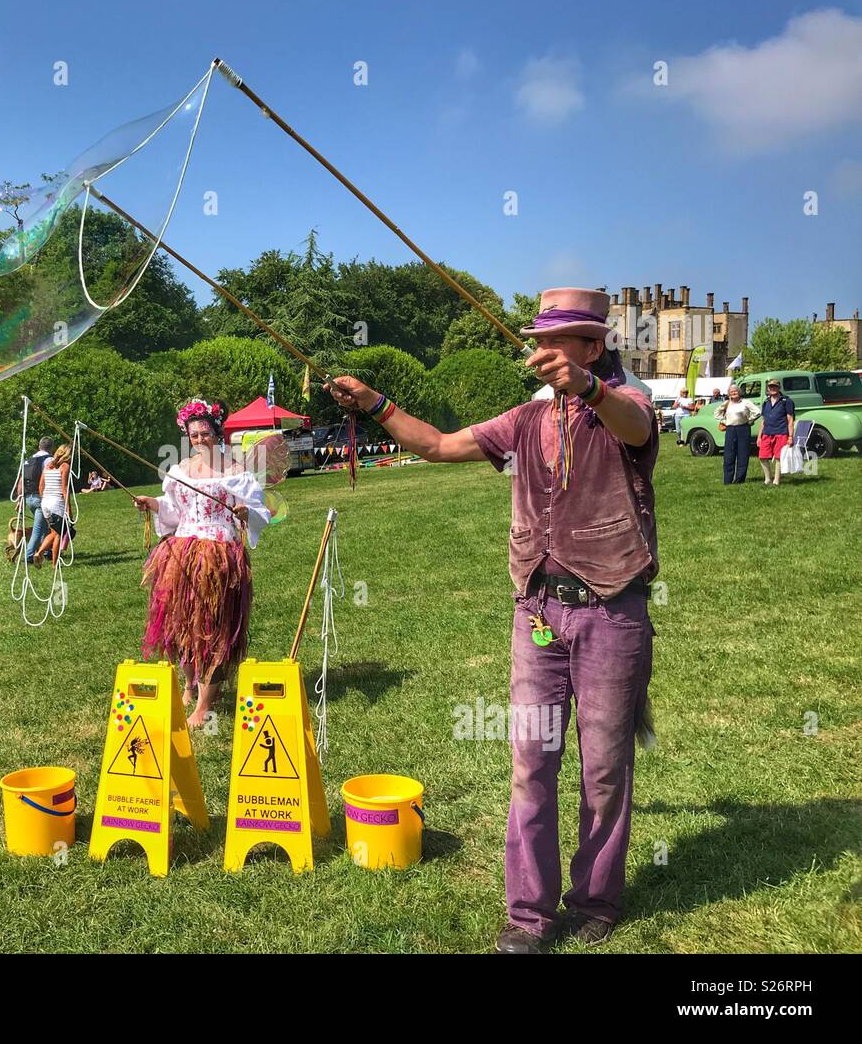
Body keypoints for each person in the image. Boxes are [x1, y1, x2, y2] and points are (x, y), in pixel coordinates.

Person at [327, 287, 659, 953]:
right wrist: (377, 405)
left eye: (554, 340)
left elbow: (634, 425)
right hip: (537, 614)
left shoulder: (627, 407)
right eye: (537, 339)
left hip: (612, 615)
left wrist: (590, 387)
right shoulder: (525, 421)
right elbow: (442, 444)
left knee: (604, 769)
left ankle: (596, 898)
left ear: (592, 347)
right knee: (532, 765)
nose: (539, 350)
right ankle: (530, 916)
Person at [132, 399, 272, 727]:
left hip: (219, 554)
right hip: (182, 554)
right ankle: (189, 685)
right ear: (187, 435)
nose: (199, 439)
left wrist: (245, 513)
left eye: (205, 433)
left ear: (216, 432)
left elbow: (260, 510)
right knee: (181, 626)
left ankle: (205, 706)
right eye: (193, 435)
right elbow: (173, 509)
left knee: (213, 629)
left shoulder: (234, 471)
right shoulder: (180, 470)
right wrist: (153, 503)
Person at [33, 444, 74, 567]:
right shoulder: (65, 466)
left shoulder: (48, 466)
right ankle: (49, 560)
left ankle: (43, 555)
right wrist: (69, 509)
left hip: (46, 502)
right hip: (57, 504)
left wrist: (43, 499)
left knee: (53, 532)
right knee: (57, 534)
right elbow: (64, 489)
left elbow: (41, 485)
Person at [16, 437, 54, 563]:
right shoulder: (48, 460)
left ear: (39, 446)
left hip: (28, 498)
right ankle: (28, 556)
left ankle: (48, 551)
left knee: (44, 526)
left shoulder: (28, 460)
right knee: (38, 528)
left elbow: (21, 481)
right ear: (51, 448)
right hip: (40, 498)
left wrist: (19, 499)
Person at [715, 382, 759, 484]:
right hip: (730, 430)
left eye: (735, 391)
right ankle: (727, 480)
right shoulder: (727, 403)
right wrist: (724, 421)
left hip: (743, 429)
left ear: (739, 392)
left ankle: (740, 479)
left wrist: (750, 420)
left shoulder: (746, 402)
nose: (733, 393)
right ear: (729, 394)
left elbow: (757, 412)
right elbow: (716, 414)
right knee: (729, 454)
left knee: (742, 454)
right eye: (731, 391)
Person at [756, 378, 796, 486]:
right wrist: (759, 437)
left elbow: (790, 420)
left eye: (775, 387)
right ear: (768, 389)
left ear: (779, 388)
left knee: (779, 457)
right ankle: (768, 478)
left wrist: (790, 437)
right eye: (770, 387)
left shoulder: (786, 401)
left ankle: (776, 480)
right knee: (762, 456)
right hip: (767, 433)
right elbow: (763, 421)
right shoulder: (766, 402)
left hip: (781, 432)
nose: (772, 389)